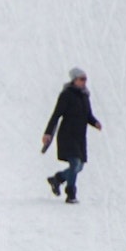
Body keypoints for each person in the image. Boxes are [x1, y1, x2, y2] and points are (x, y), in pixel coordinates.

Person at [42, 67, 101, 204]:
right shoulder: (66, 95)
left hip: (80, 137)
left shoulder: (85, 96)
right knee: (74, 163)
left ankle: (58, 179)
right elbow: (56, 115)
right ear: (74, 80)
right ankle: (71, 194)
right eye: (81, 79)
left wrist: (95, 122)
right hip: (67, 135)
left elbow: (88, 115)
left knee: (79, 166)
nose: (84, 82)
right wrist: (48, 133)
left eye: (85, 79)